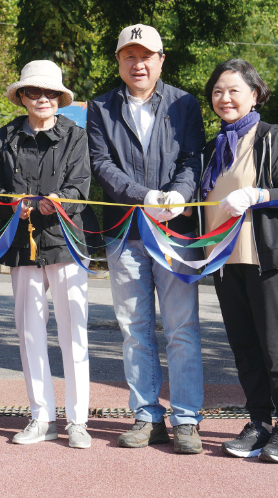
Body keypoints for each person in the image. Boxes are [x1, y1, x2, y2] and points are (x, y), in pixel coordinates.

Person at [87, 24, 206, 454]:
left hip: (175, 231)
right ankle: (146, 415)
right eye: (129, 56)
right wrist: (144, 197)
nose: (138, 64)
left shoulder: (184, 104)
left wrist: (178, 195)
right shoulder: (101, 107)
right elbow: (101, 164)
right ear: (118, 61)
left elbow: (194, 157)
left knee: (181, 328)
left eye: (146, 56)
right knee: (135, 329)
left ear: (160, 60)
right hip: (126, 232)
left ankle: (187, 418)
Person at [200, 59, 278, 464]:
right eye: (217, 91)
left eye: (233, 90)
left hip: (267, 258)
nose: (224, 98)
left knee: (277, 347)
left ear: (255, 94)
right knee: (244, 347)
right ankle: (259, 422)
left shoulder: (271, 137)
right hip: (225, 261)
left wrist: (258, 194)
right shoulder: (214, 147)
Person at [0, 61, 98, 449]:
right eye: (34, 92)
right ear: (22, 96)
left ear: (59, 98)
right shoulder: (4, 137)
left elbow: (80, 186)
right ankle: (41, 417)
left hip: (67, 242)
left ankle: (78, 420)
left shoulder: (76, 135)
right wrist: (10, 208)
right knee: (29, 332)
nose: (42, 99)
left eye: (50, 93)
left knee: (75, 333)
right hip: (23, 246)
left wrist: (60, 202)